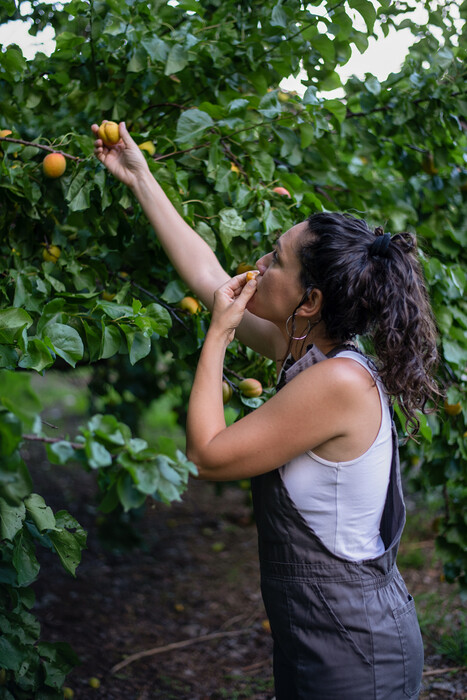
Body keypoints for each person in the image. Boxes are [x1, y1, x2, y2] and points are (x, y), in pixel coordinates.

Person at [93, 122, 441, 699]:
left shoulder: (338, 384)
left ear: (310, 302)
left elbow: (207, 455)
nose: (258, 264)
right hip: (324, 638)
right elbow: (209, 278)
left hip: (355, 653)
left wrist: (217, 338)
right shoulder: (311, 351)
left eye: (275, 259)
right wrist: (139, 176)